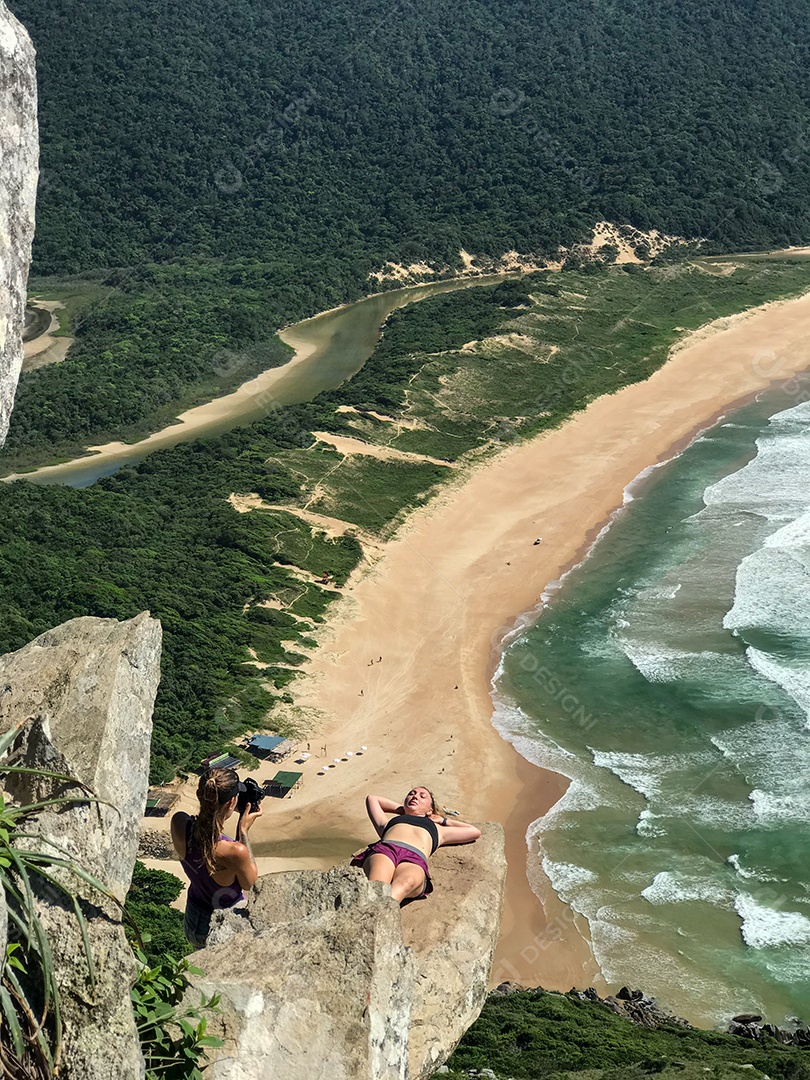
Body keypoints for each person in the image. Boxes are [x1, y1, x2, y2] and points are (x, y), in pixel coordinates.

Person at [170, 767, 262, 948]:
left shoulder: (179, 823)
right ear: (231, 803)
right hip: (220, 925)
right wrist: (243, 831)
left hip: (192, 920)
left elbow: (208, 849)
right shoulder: (235, 852)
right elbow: (251, 883)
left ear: (199, 795)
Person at [351, 786, 480, 903]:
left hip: (414, 858)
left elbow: (474, 832)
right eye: (411, 794)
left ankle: (382, 911)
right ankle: (377, 912)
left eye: (422, 796)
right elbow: (372, 799)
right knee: (377, 885)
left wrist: (444, 820)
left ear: (430, 809)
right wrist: (403, 810)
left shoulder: (439, 830)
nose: (415, 796)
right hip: (386, 850)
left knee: (406, 883)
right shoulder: (388, 823)